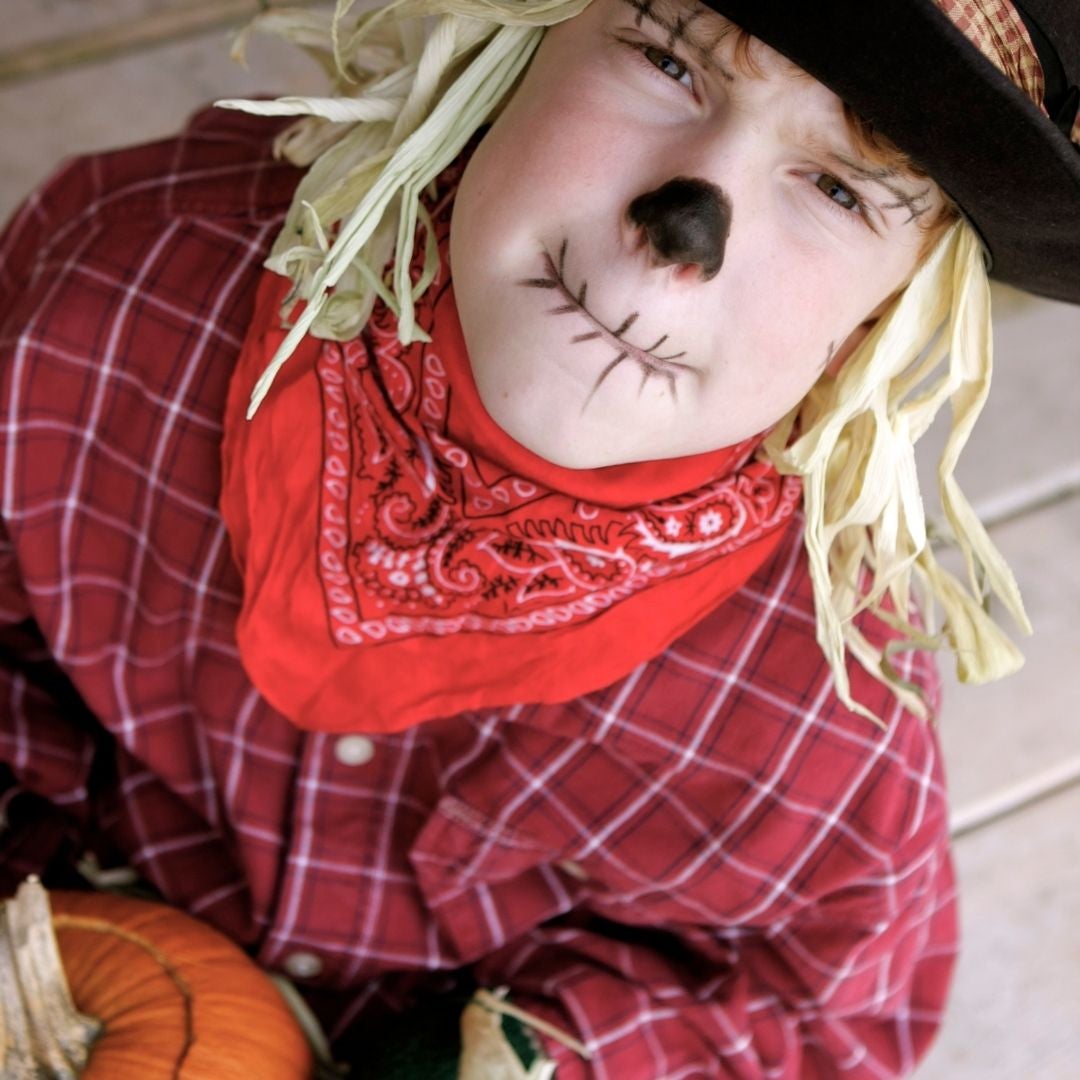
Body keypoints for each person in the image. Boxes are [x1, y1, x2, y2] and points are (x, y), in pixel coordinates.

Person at [0, 0, 1076, 1075]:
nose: (683, 231)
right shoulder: (121, 293)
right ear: (511, 42)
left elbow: (816, 1015)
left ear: (890, 313)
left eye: (839, 189)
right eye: (667, 62)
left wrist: (534, 1057)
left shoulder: (823, 703)